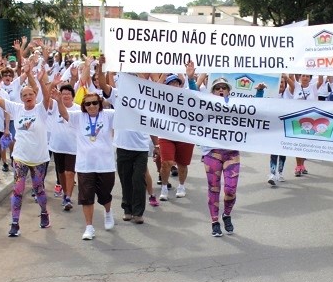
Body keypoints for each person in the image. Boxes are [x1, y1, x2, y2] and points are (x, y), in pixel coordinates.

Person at [0, 64, 52, 236]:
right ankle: (14, 223)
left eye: (31, 94)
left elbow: (47, 97)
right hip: (20, 157)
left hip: (39, 158)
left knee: (39, 189)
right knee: (18, 189)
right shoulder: (16, 108)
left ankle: (44, 212)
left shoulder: (41, 109)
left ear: (35, 95)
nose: (28, 97)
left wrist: (40, 80)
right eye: (25, 95)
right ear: (21, 98)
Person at [193, 75, 265, 237]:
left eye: (223, 88)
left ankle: (226, 214)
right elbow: (192, 98)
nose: (220, 90)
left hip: (231, 153)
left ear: (228, 91)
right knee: (214, 188)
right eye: (217, 88)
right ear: (212, 92)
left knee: (230, 189)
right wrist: (191, 79)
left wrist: (259, 92)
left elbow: (253, 110)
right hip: (212, 152)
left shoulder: (235, 105)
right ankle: (214, 222)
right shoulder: (205, 104)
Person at [96, 56, 158, 224]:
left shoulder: (147, 99)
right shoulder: (118, 96)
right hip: (122, 146)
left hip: (141, 148)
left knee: (139, 179)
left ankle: (138, 212)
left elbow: (152, 124)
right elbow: (102, 84)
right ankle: (127, 209)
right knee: (125, 179)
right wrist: (102, 66)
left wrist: (157, 144)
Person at [55, 89, 116, 241]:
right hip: (85, 165)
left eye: (95, 103)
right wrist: (58, 101)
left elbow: (125, 109)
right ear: (84, 106)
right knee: (86, 197)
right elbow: (65, 114)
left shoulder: (108, 115)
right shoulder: (79, 117)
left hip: (105, 164)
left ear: (100, 104)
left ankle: (108, 213)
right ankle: (89, 227)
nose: (91, 106)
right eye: (88, 104)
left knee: (105, 195)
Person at [157, 73, 194, 201]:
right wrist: (162, 74)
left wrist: (189, 76)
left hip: (184, 135)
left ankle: (181, 186)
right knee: (166, 162)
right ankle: (164, 187)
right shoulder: (160, 97)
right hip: (166, 134)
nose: (174, 85)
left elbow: (196, 91)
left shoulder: (187, 96)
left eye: (177, 83)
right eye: (171, 83)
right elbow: (152, 91)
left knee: (182, 165)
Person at [48, 83, 80, 211]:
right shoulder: (54, 106)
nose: (66, 96)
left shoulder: (78, 109)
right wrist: (52, 84)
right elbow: (46, 96)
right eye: (63, 94)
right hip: (57, 146)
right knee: (61, 172)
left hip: (73, 147)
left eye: (68, 94)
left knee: (70, 172)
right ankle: (65, 193)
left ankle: (68, 197)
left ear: (72, 96)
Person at [267, 73, 294, 184]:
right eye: (279, 83)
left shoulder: (288, 93)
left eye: (282, 83)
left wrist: (286, 76)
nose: (280, 85)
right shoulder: (271, 94)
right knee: (274, 151)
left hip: (286, 127)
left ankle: (280, 172)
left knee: (283, 151)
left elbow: (293, 86)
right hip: (273, 127)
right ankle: (273, 174)